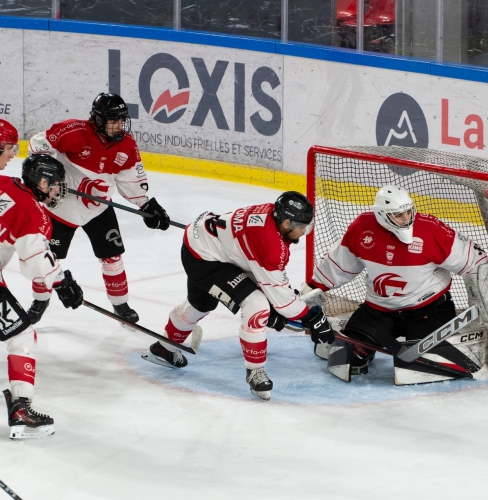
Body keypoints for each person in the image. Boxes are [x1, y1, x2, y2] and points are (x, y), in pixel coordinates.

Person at [144, 191, 335, 400]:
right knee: (258, 304)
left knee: (201, 303)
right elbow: (284, 304)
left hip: (204, 244)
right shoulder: (270, 244)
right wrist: (313, 318)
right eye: (301, 226)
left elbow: (267, 278)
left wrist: (284, 304)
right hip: (205, 259)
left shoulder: (273, 214)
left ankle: (163, 349)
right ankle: (255, 371)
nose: (304, 231)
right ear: (287, 223)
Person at [306, 184, 488, 377]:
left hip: (428, 310)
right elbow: (336, 266)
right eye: (398, 215)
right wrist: (307, 296)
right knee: (346, 359)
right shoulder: (362, 229)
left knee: (423, 367)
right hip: (379, 311)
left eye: (409, 212)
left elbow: (476, 261)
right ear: (382, 215)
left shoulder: (431, 231)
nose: (407, 218)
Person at [27, 93, 171, 324]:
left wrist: (145, 204)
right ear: (98, 119)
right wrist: (44, 169)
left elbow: (129, 178)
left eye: (122, 120)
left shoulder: (126, 145)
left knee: (112, 257)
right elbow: (38, 144)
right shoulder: (72, 130)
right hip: (60, 208)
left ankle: (121, 305)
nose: (119, 125)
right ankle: (39, 300)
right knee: (48, 258)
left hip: (99, 207)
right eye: (113, 120)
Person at [0, 121, 84, 440]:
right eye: (54, 184)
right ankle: (20, 406)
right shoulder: (35, 214)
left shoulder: (4, 183)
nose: (57, 191)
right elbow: (37, 263)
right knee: (21, 335)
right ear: (43, 181)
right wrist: (61, 283)